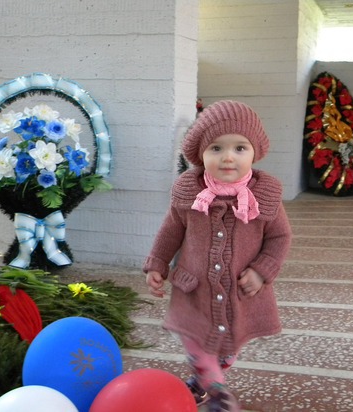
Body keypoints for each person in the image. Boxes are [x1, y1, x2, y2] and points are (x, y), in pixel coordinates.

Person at [143, 100, 292, 412]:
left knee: (226, 350)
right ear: (201, 154)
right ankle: (218, 394)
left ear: (255, 152)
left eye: (240, 148)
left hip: (239, 294)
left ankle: (202, 382)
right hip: (194, 290)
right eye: (216, 148)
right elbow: (171, 231)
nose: (228, 157)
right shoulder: (188, 191)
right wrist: (157, 263)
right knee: (196, 342)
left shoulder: (265, 195)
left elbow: (279, 237)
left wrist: (261, 270)